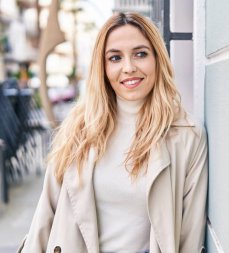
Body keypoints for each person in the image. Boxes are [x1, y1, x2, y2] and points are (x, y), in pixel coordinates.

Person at [18, 12, 208, 253]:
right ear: (103, 67)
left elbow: (189, 236)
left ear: (158, 59)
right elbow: (45, 215)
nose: (128, 68)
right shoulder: (78, 129)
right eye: (115, 57)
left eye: (140, 54)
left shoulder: (187, 137)